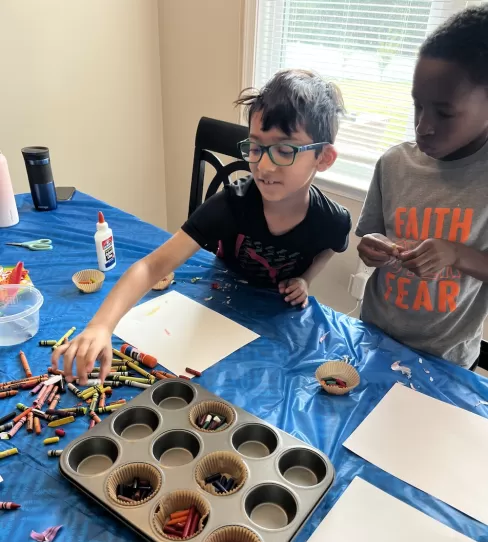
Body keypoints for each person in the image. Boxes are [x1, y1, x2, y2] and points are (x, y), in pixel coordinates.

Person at [53, 69, 352, 383]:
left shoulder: (333, 219)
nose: (263, 165)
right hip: (220, 305)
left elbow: (331, 247)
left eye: (284, 149)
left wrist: (305, 279)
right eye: (255, 147)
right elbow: (151, 266)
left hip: (278, 321)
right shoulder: (231, 204)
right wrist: (100, 325)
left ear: (324, 158)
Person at [356, 4, 488, 369]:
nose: (423, 126)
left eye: (444, 113)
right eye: (417, 106)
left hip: (446, 360)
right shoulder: (394, 164)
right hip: (376, 339)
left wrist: (456, 254)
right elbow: (370, 238)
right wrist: (372, 247)